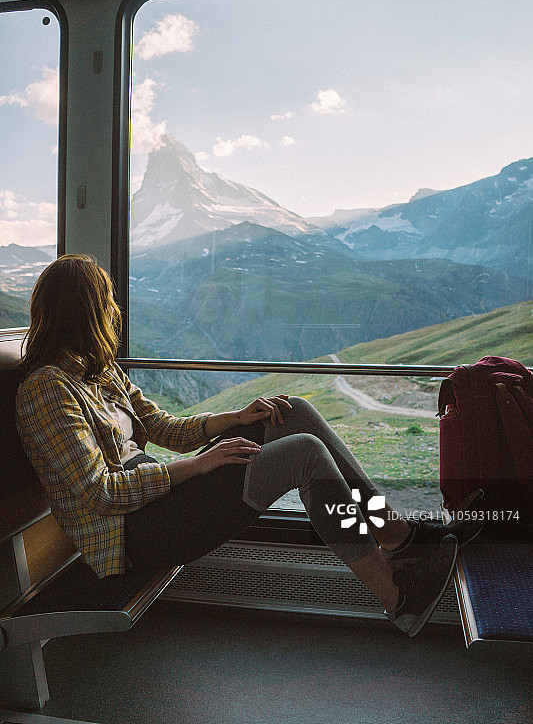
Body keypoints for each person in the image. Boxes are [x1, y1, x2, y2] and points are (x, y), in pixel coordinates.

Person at [15, 255, 474, 638]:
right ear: (87, 311)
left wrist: (236, 418)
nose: (115, 309)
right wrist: (199, 467)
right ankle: (398, 599)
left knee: (287, 410)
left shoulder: (99, 372)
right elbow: (101, 493)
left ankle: (398, 537)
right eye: (108, 301)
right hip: (132, 535)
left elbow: (160, 425)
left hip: (161, 501)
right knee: (304, 454)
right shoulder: (47, 390)